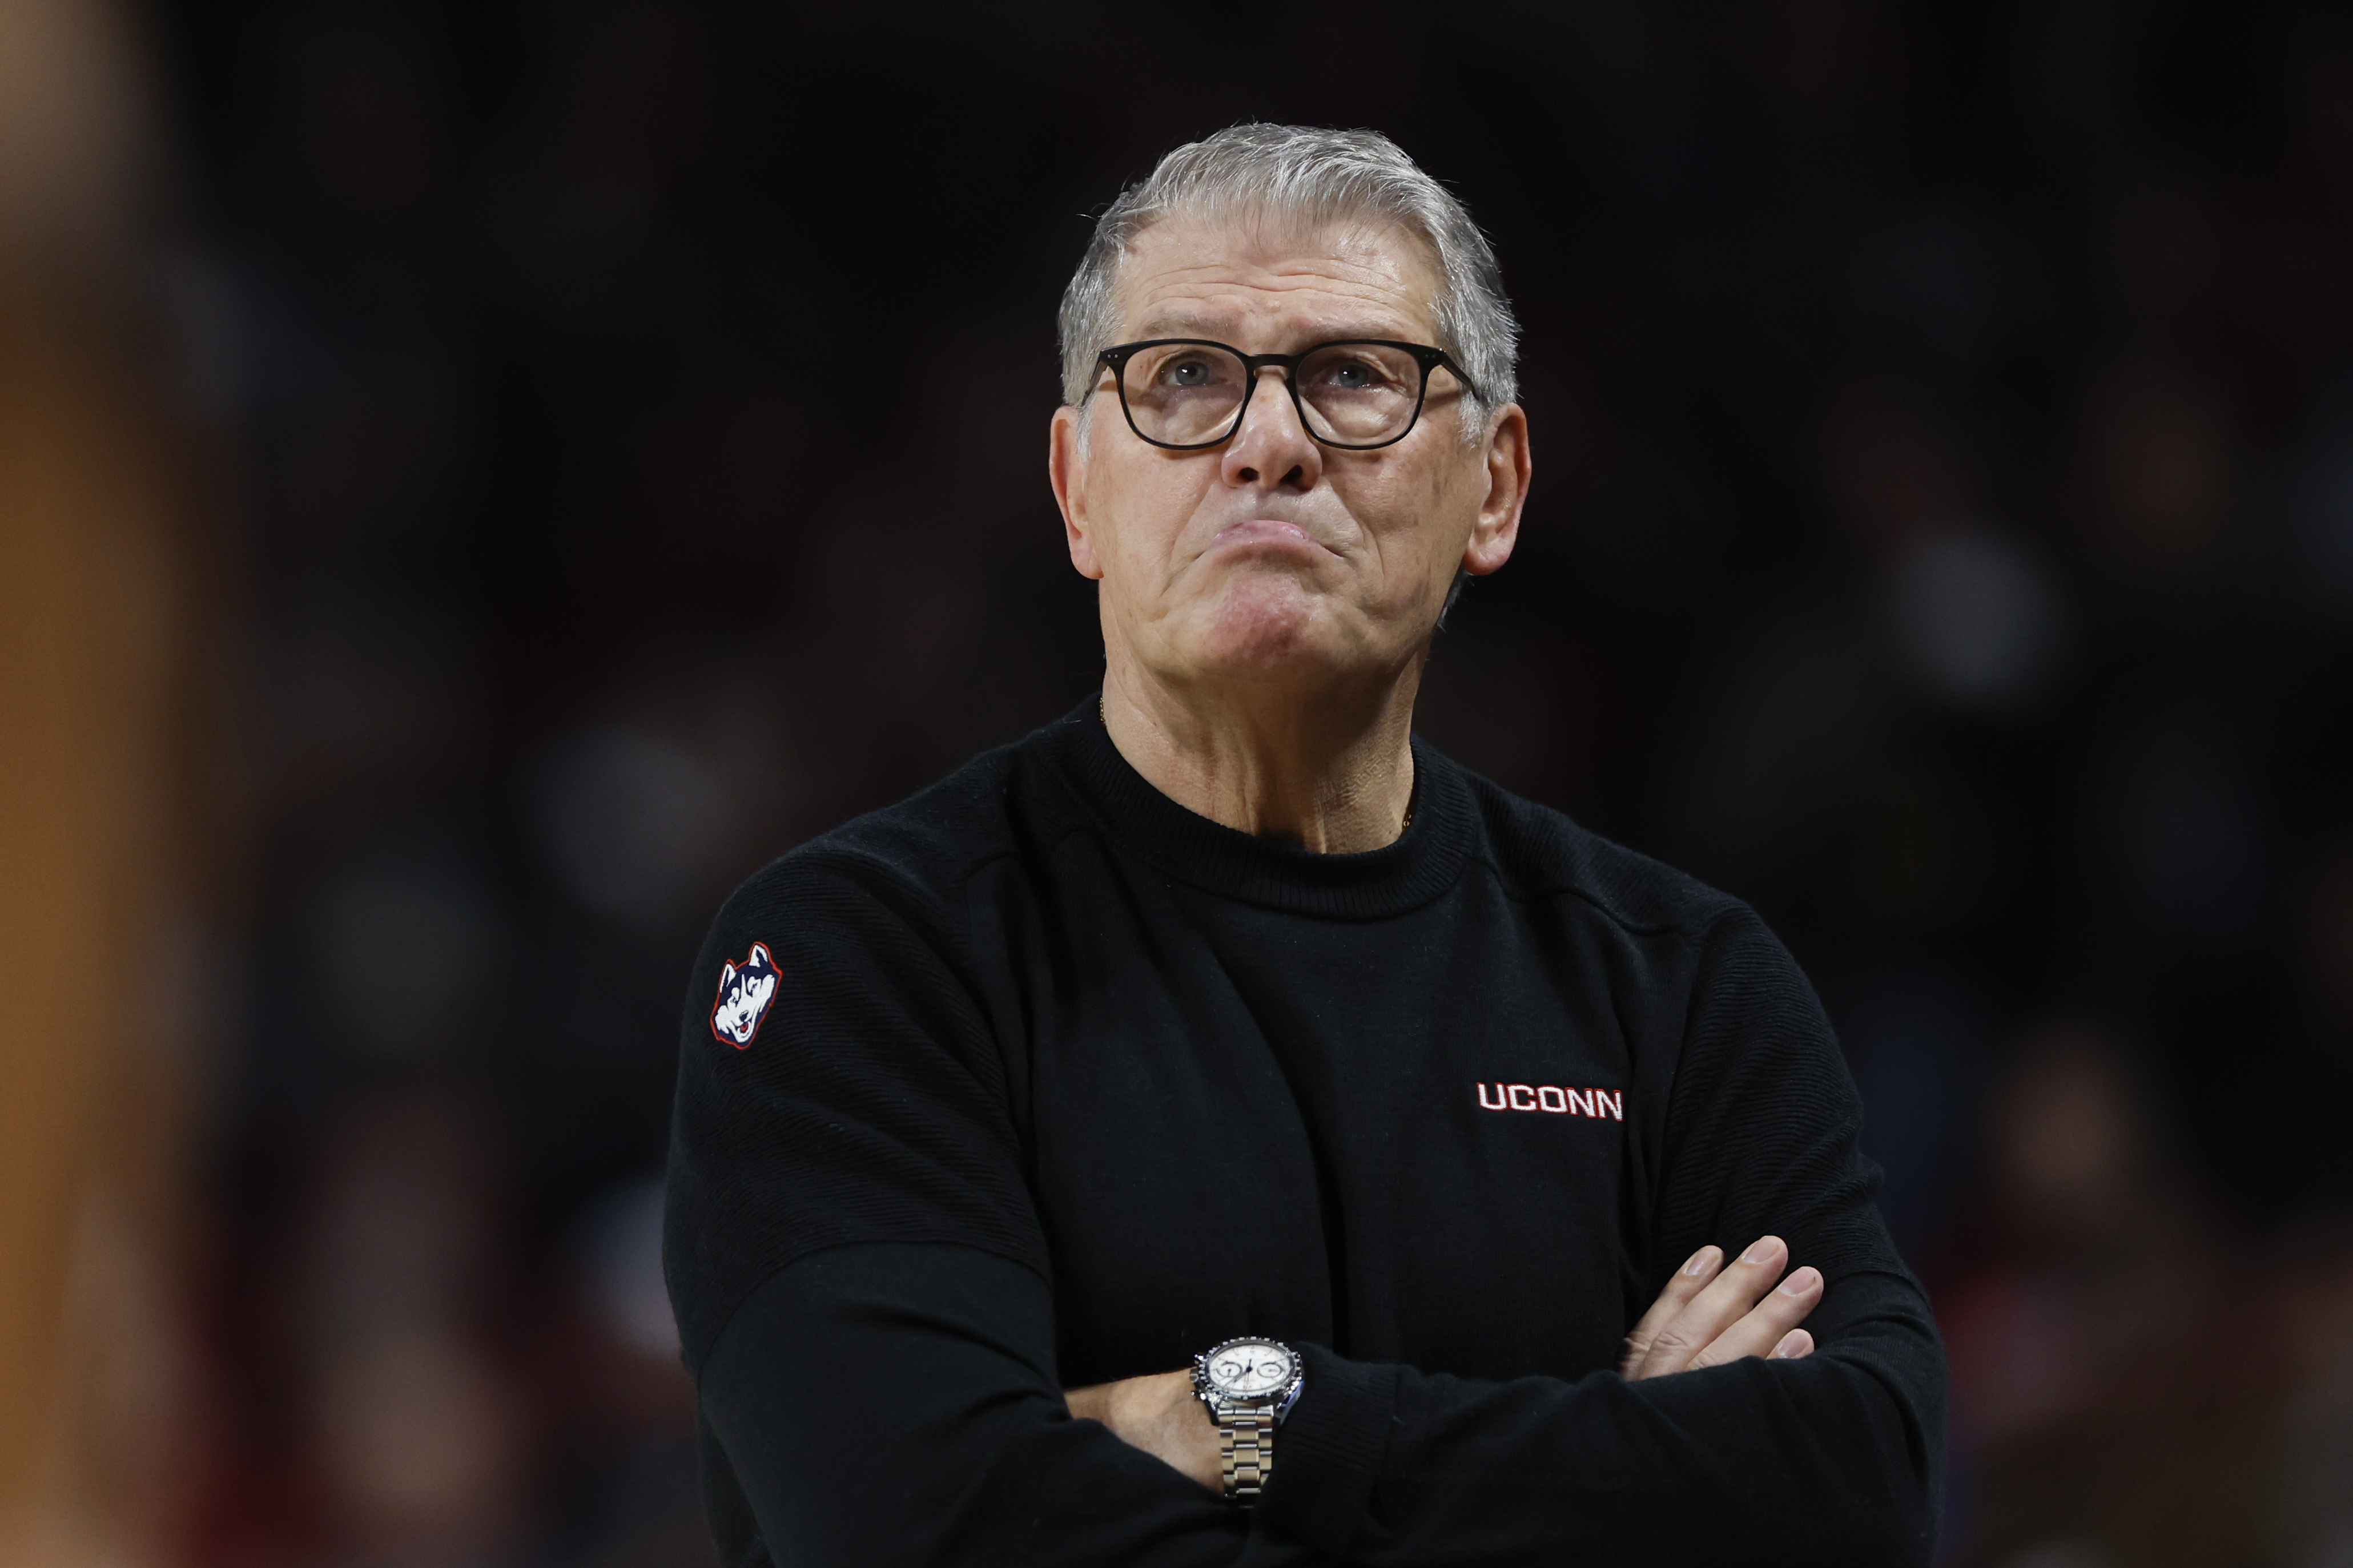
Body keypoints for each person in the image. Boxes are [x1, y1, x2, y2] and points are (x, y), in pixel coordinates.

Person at [664, 124, 1944, 1566]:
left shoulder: (1682, 989)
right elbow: (938, 1531)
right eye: (1186, 380)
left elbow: (1862, 1487)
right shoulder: (862, 963)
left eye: (1354, 379)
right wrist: (1628, 1475)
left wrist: (1254, 1421)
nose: (1269, 443)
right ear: (1080, 489)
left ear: (1498, 488)